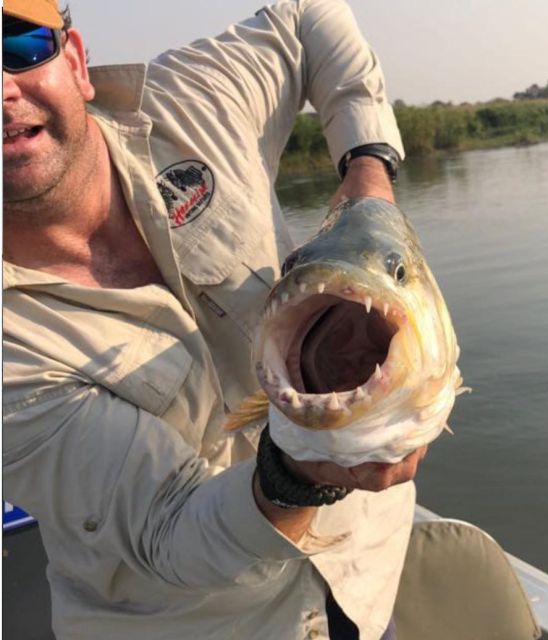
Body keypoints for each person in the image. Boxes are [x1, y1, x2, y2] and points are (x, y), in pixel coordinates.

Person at [2, 1, 428, 638]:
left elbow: (310, 14)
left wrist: (367, 175)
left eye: (19, 44)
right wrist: (305, 470)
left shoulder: (196, 98)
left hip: (362, 577)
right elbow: (171, 529)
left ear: (77, 61)